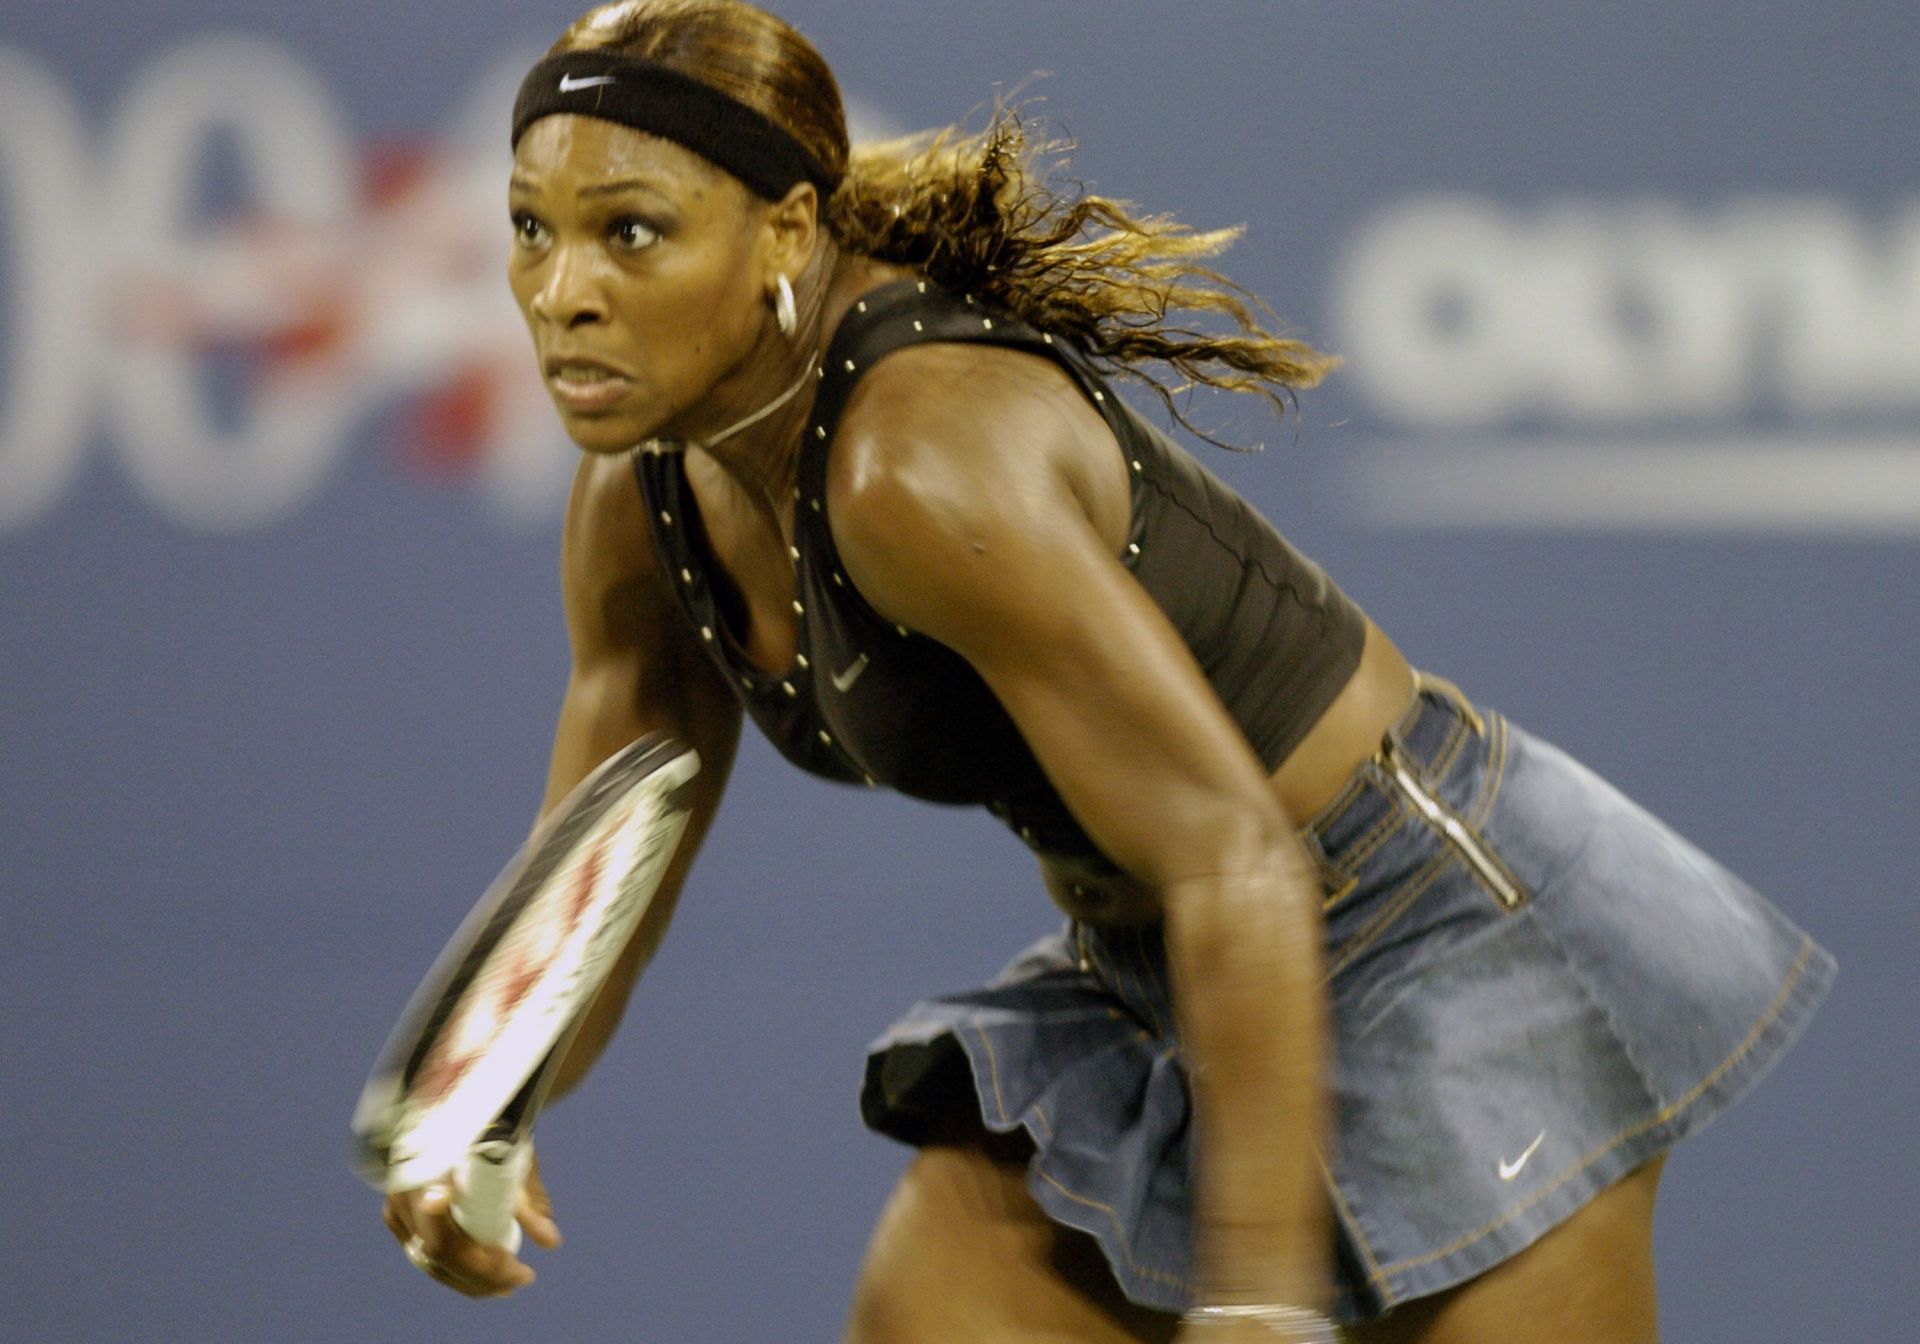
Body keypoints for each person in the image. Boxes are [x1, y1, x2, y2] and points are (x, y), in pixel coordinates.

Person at [379, 2, 1836, 1339]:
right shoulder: (637, 507)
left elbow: (1233, 857)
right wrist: (488, 1105)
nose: (559, 291)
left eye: (630, 233)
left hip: (1432, 935)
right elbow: (599, 877)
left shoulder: (915, 464)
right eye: (528, 229)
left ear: (785, 234)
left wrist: (1256, 1313)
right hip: (1167, 973)